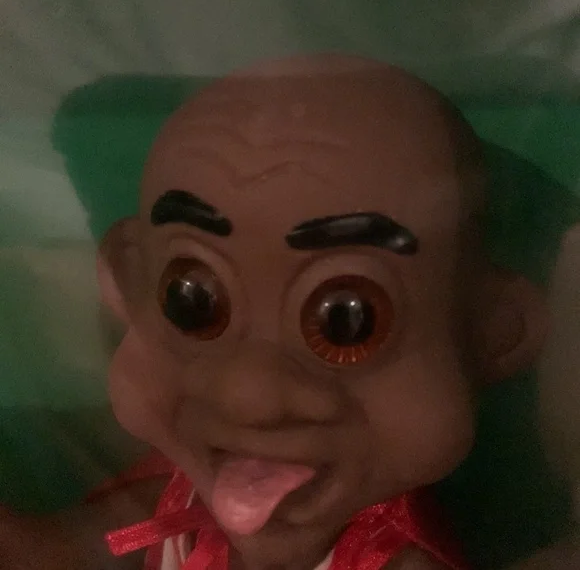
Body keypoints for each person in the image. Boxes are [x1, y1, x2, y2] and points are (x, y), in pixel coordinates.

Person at [0, 54, 548, 569]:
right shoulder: (175, 496)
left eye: (347, 319)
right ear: (130, 283)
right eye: (194, 301)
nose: (250, 395)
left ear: (491, 330)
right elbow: (58, 549)